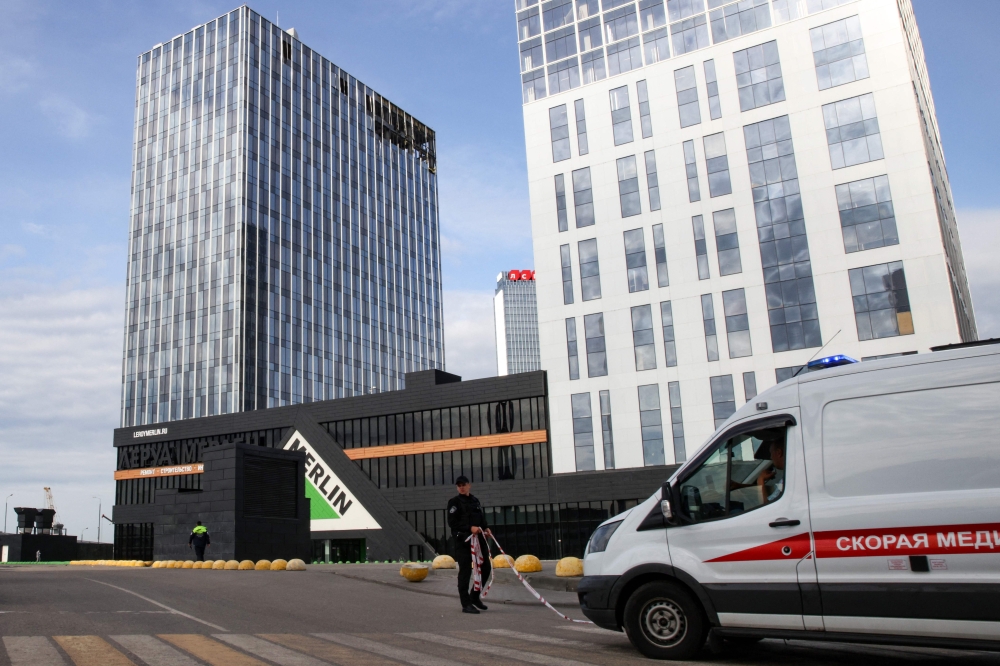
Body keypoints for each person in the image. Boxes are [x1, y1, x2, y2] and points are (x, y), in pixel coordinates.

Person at [447, 475, 491, 614]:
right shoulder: (454, 502)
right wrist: (469, 528)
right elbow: (452, 523)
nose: (461, 487)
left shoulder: (474, 500)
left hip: (478, 539)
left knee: (486, 568)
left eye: (463, 485)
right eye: (458, 485)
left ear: (469, 485)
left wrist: (486, 528)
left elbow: (480, 517)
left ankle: (475, 596)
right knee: (465, 571)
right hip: (463, 541)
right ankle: (466, 604)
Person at [757, 439, 786, 504]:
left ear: (779, 453)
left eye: (771, 453)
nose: (770, 457)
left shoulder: (788, 478)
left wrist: (760, 480)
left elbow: (767, 506)